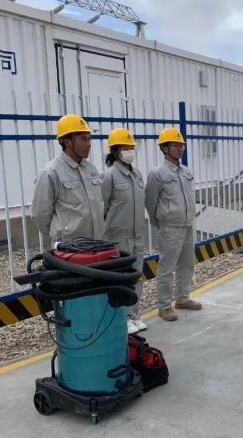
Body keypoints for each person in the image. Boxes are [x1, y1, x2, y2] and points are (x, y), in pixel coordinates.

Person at [145, 127, 202, 321]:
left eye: (181, 145)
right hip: (170, 227)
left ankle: (182, 298)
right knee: (167, 267)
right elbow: (150, 202)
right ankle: (163, 306)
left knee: (187, 264)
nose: (180, 148)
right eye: (175, 145)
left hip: (187, 224)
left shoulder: (186, 171)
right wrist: (160, 221)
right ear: (164, 148)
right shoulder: (157, 173)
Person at [101, 127, 148, 334]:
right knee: (121, 278)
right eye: (125, 147)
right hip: (118, 237)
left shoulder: (136, 174)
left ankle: (135, 314)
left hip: (137, 234)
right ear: (115, 151)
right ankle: (123, 317)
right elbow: (102, 208)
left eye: (131, 147)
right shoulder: (109, 176)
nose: (130, 151)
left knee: (136, 277)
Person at [31, 114, 104, 244]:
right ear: (67, 142)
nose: (88, 145)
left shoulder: (90, 168)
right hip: (70, 248)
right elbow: (39, 215)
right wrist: (60, 235)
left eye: (89, 139)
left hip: (96, 244)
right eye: (83, 139)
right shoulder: (51, 172)